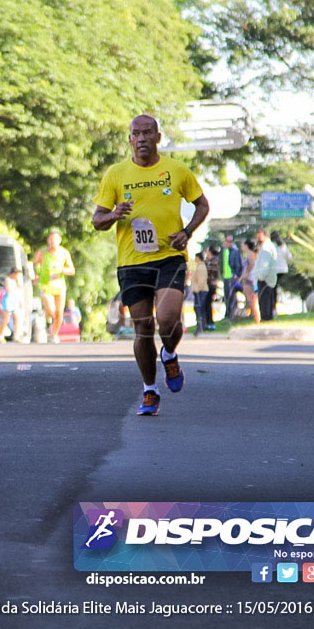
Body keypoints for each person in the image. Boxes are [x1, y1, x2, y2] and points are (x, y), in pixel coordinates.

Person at [91, 114, 209, 415]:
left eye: (147, 133)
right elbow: (97, 220)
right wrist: (114, 214)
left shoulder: (176, 170)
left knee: (168, 319)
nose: (141, 138)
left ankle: (169, 354)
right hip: (132, 263)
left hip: (169, 256)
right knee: (143, 329)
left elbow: (202, 204)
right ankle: (149, 389)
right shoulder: (116, 174)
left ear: (158, 137)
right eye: (136, 134)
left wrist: (187, 232)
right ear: (129, 140)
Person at [33, 230, 76, 343]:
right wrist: (37, 274)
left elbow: (72, 270)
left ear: (59, 241)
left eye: (55, 239)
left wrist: (61, 270)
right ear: (48, 240)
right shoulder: (42, 252)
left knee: (59, 313)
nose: (53, 242)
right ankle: (47, 322)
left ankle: (54, 334)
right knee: (51, 310)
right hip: (46, 284)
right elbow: (35, 263)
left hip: (60, 286)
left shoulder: (64, 253)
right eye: (51, 239)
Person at [253, 228, 279, 321]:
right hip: (268, 278)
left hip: (265, 279)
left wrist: (260, 276)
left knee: (265, 301)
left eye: (259, 234)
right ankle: (267, 318)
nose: (257, 237)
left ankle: (266, 319)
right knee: (266, 300)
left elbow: (265, 265)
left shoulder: (266, 248)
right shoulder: (267, 246)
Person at [221, 235, 243, 321]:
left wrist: (236, 274)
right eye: (226, 241)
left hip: (232, 276)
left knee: (231, 296)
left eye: (229, 241)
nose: (227, 243)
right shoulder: (225, 251)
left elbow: (238, 263)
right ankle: (227, 313)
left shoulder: (235, 251)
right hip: (226, 276)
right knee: (226, 296)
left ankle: (231, 314)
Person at [0, 266, 21, 343]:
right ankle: (1, 335)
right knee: (6, 318)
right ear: (13, 274)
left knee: (16, 318)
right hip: (8, 301)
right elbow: (8, 290)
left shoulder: (15, 281)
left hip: (14, 301)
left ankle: (16, 335)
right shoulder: (8, 280)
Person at [270, 230, 292, 314]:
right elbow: (289, 257)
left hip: (274, 271)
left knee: (273, 290)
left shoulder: (271, 246)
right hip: (283, 270)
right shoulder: (283, 246)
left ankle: (274, 308)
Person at [241, 239, 260, 324]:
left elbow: (251, 264)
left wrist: (245, 274)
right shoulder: (249, 254)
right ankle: (254, 315)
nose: (241, 246)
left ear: (246, 245)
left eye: (243, 244)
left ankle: (256, 316)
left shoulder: (250, 254)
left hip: (251, 278)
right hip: (250, 278)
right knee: (249, 297)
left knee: (251, 298)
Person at [190, 251, 209, 336]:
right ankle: (201, 326)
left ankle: (200, 327)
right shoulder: (199, 266)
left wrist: (196, 290)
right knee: (199, 308)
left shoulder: (201, 267)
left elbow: (201, 281)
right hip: (199, 291)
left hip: (200, 291)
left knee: (198, 308)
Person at [205, 245, 221, 330]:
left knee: (208, 304)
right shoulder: (208, 261)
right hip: (208, 285)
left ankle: (210, 323)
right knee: (206, 305)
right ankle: (208, 322)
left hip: (210, 285)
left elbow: (212, 275)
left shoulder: (213, 261)